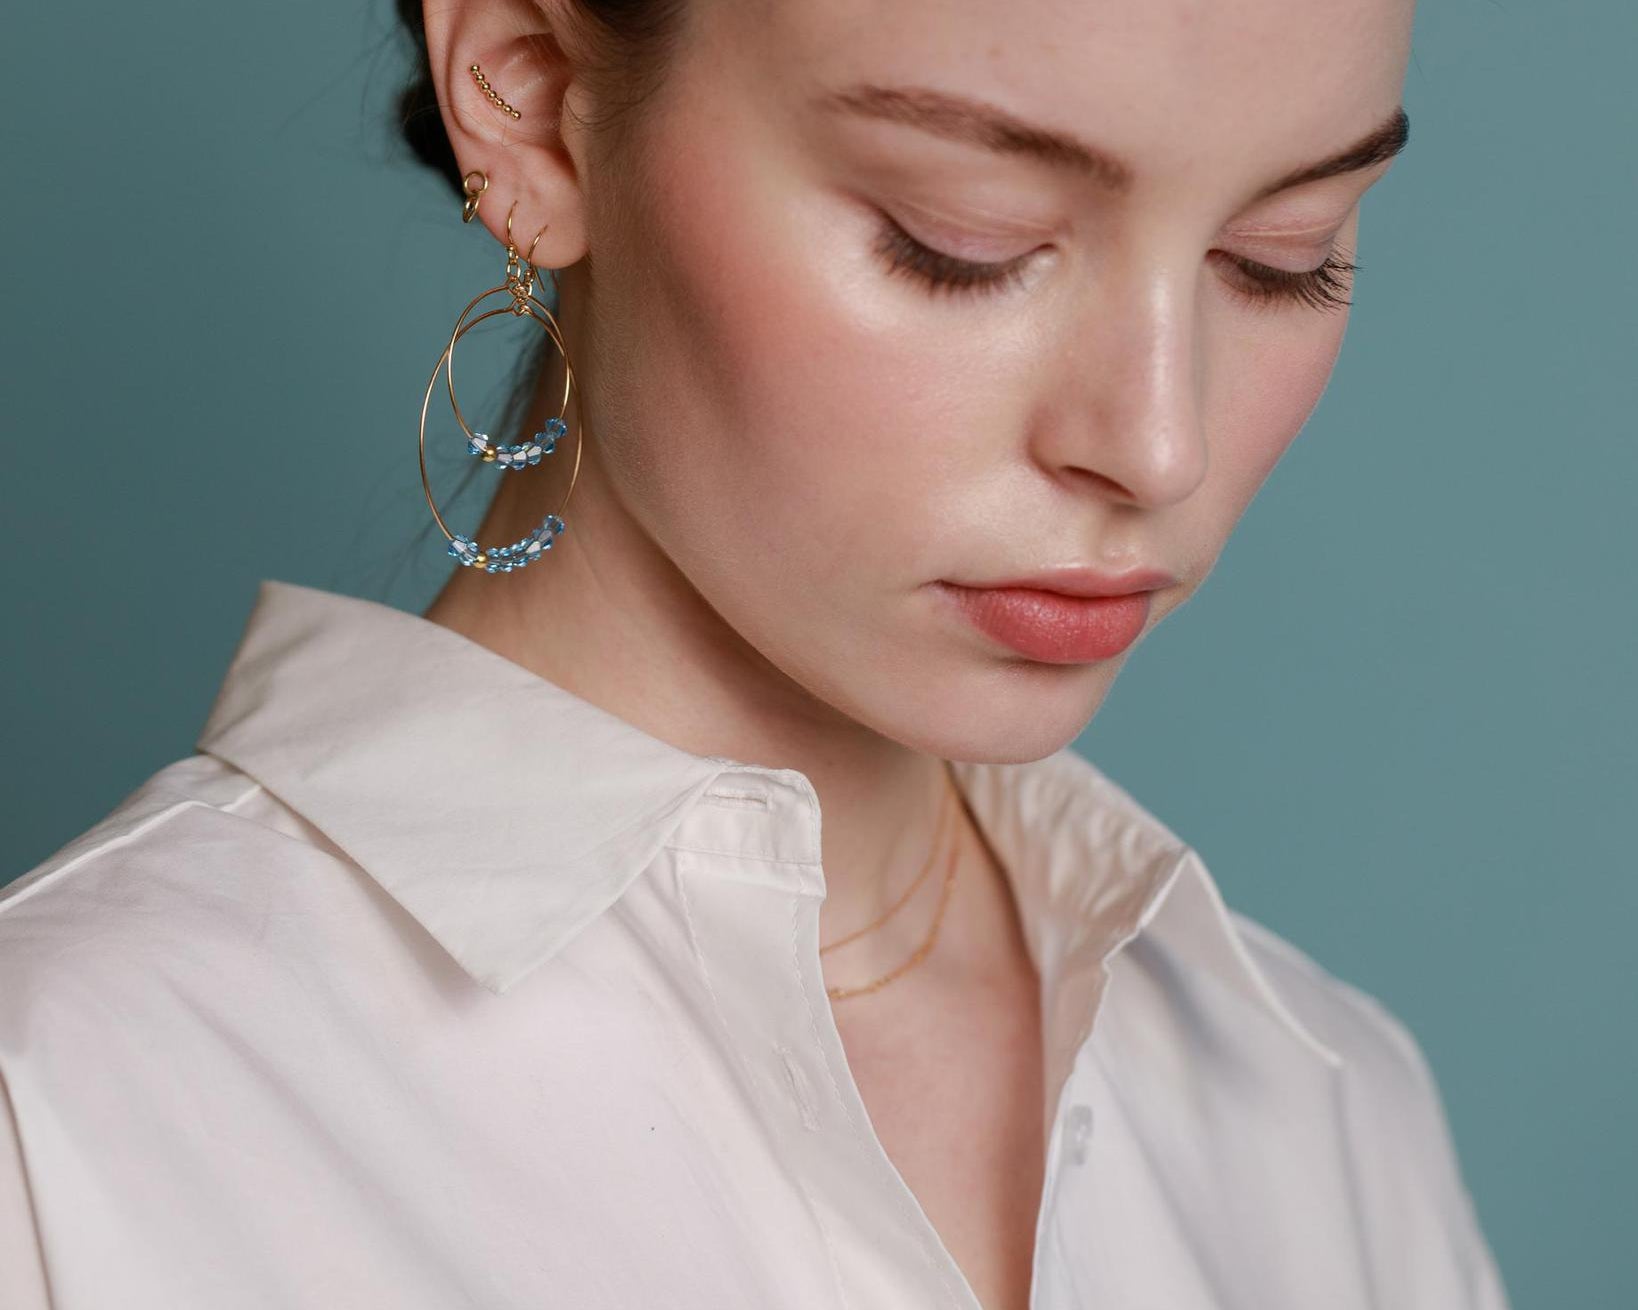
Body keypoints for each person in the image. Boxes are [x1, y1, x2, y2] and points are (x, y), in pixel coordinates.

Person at [0, 0, 1512, 1306]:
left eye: (1281, 258)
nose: (1156, 444)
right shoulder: (65, 1120)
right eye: (963, 242)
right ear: (531, 103)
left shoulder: (1324, 1113)